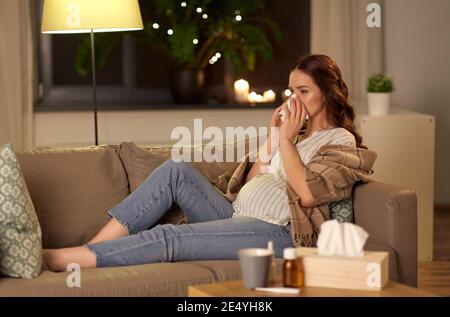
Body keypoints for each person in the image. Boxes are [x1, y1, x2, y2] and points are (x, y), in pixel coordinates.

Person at [43, 54, 365, 271]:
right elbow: (252, 185)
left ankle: (66, 260)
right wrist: (273, 139)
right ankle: (94, 248)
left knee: (171, 237)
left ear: (327, 93)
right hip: (239, 213)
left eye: (304, 91)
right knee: (175, 171)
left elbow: (308, 195)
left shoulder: (340, 141)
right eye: (291, 90)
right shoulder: (294, 135)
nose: (293, 99)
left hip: (280, 232)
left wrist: (285, 142)